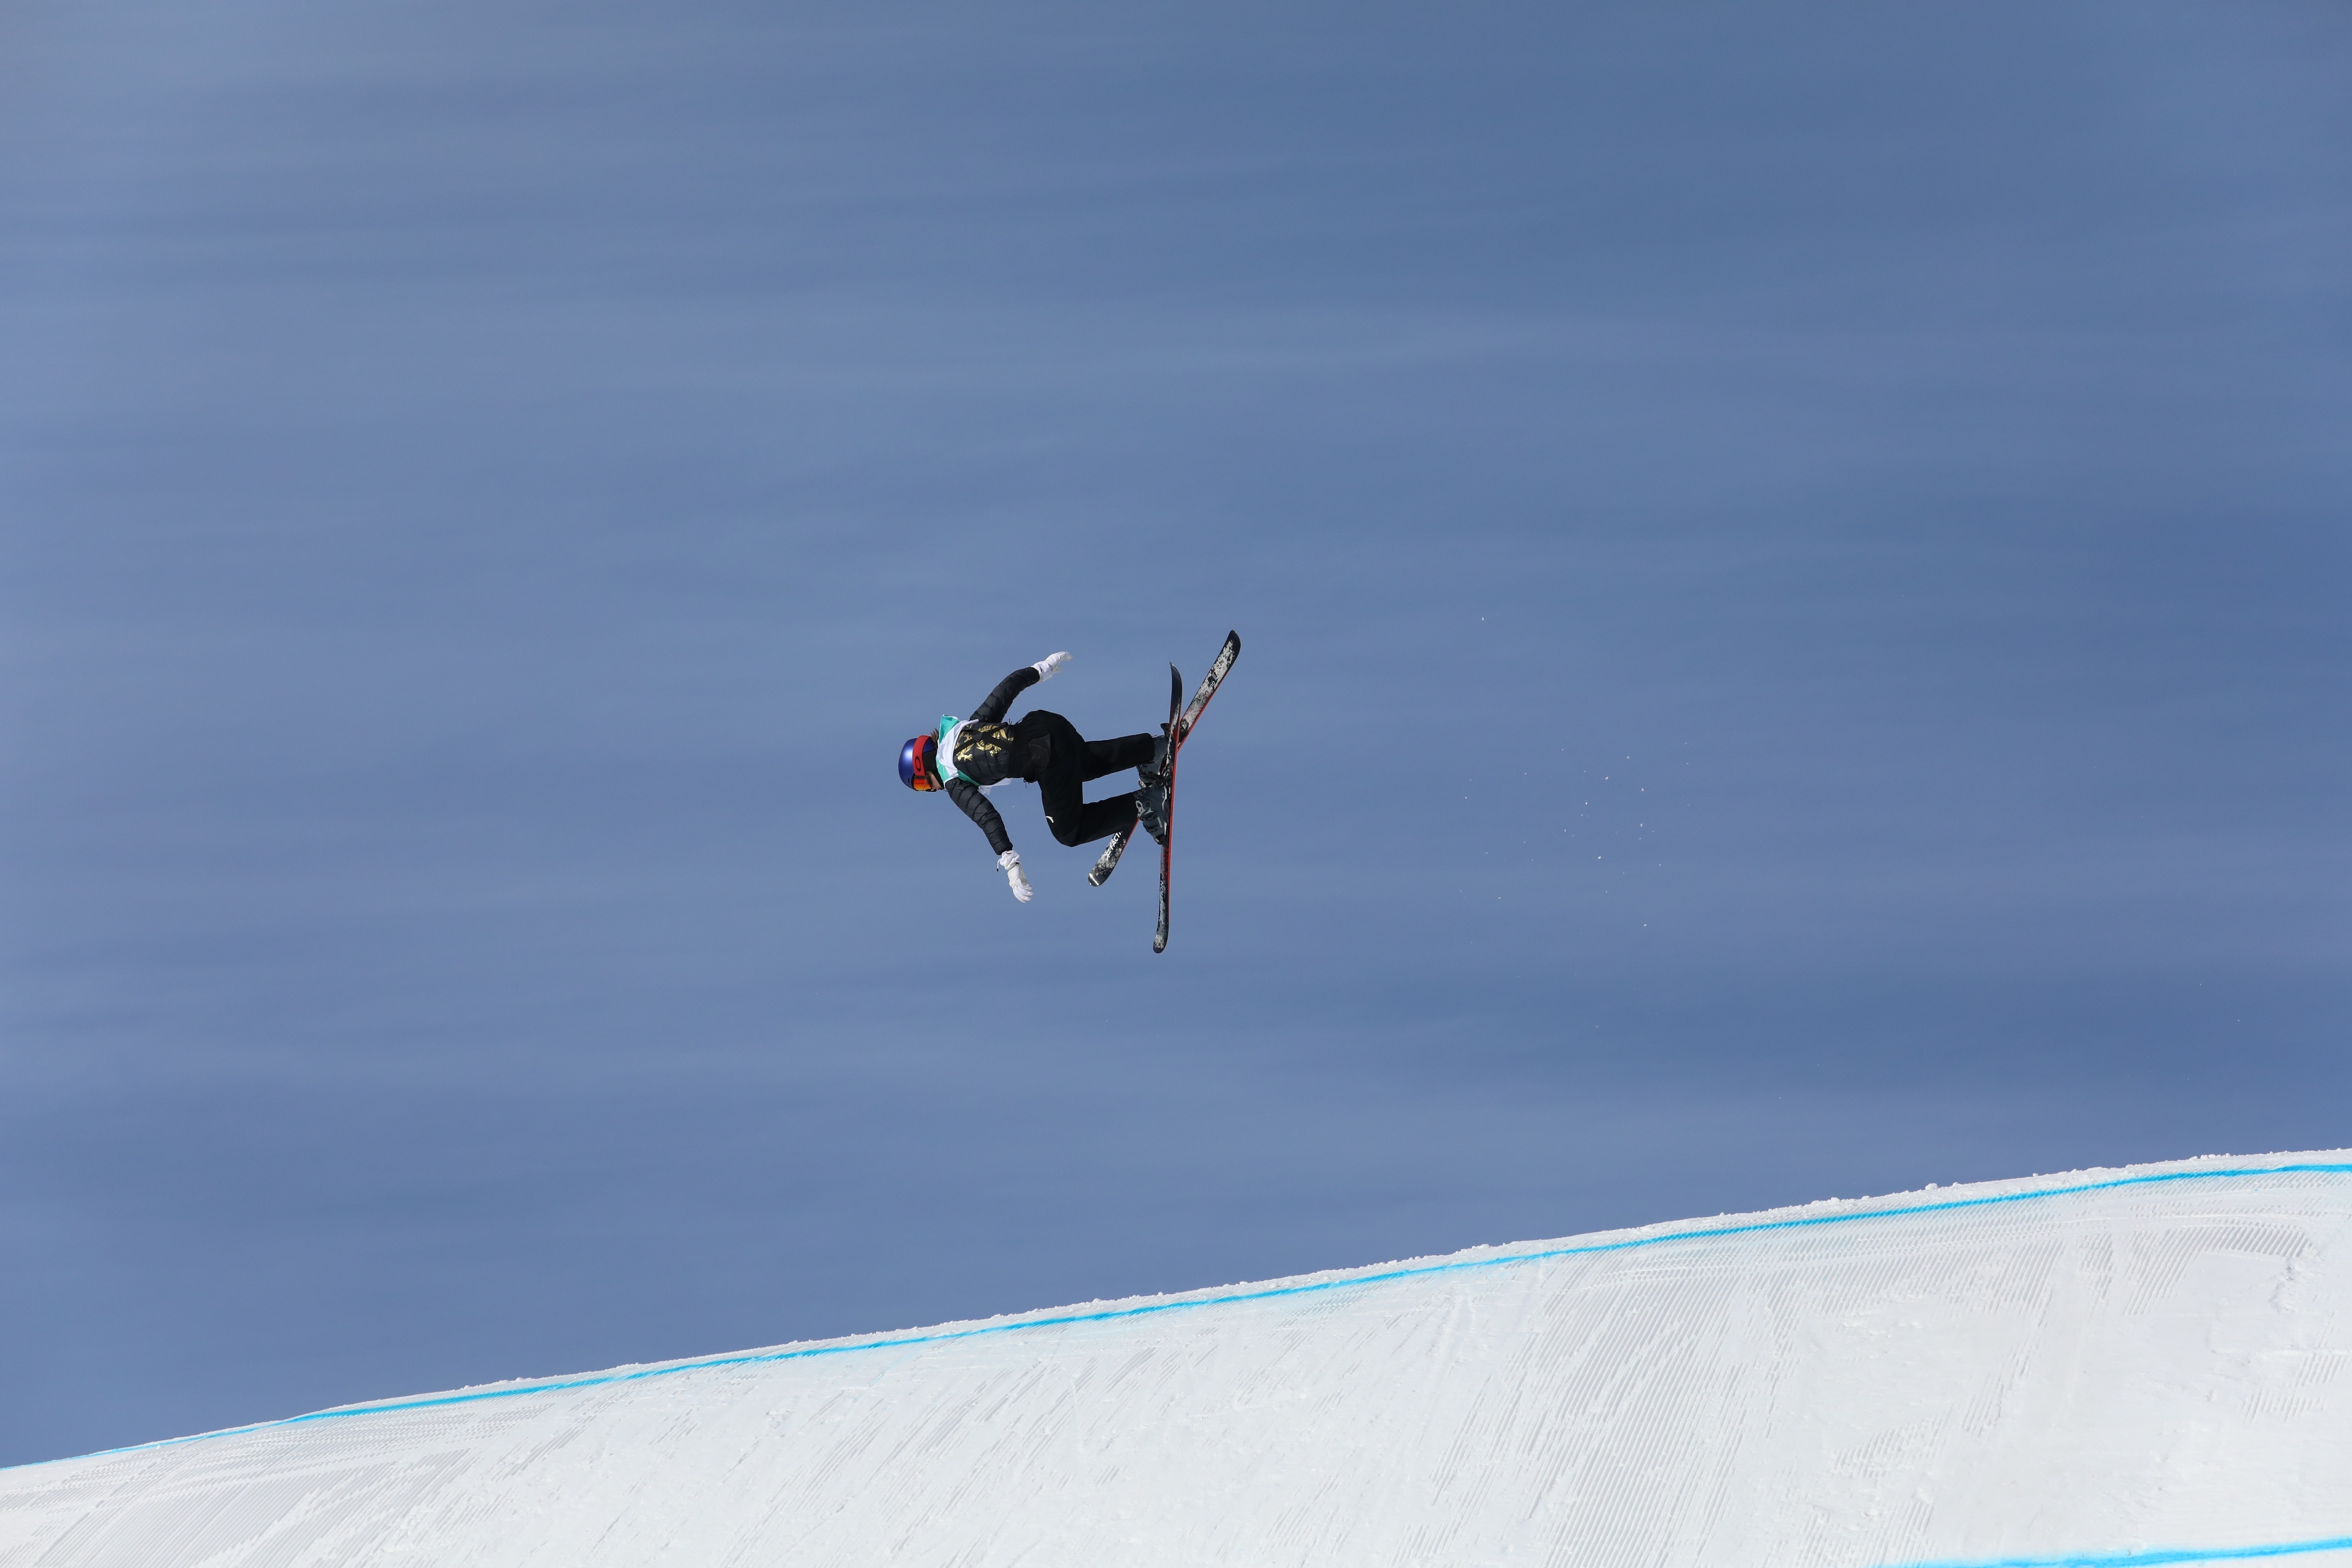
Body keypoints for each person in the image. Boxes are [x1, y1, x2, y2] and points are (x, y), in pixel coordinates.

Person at [898, 652, 1167, 902]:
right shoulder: (963, 729)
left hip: (1045, 757)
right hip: (1046, 723)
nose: (932, 791)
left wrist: (1010, 862)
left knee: (1069, 832)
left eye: (922, 785)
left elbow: (986, 817)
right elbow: (1004, 691)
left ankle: (1146, 804)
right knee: (1083, 764)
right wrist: (1041, 669)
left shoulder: (952, 780)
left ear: (925, 765)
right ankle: (1153, 750)